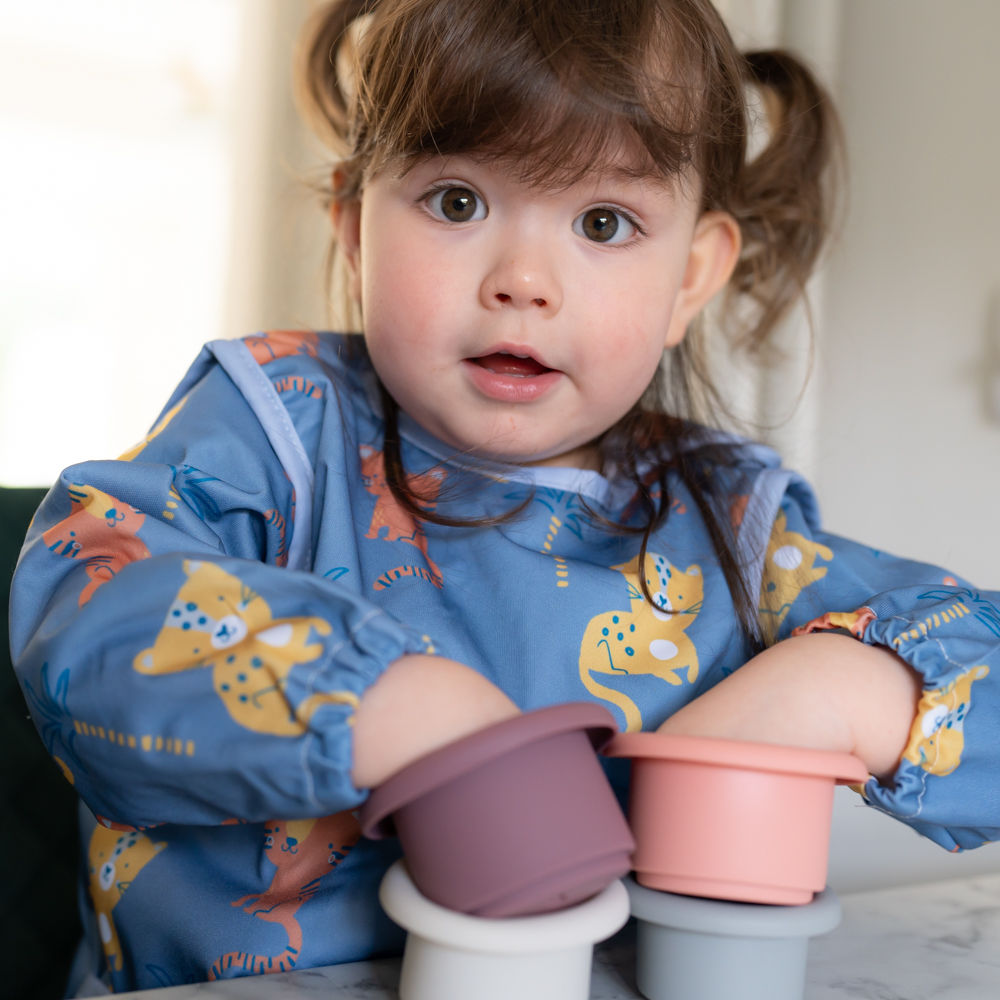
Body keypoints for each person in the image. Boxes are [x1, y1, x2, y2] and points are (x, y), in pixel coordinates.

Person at [10, 0, 1000, 993]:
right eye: (455, 202)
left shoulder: (731, 524)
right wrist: (378, 700)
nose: (522, 280)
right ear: (357, 228)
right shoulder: (274, 432)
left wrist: (849, 690)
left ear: (691, 276)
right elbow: (82, 606)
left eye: (603, 222)